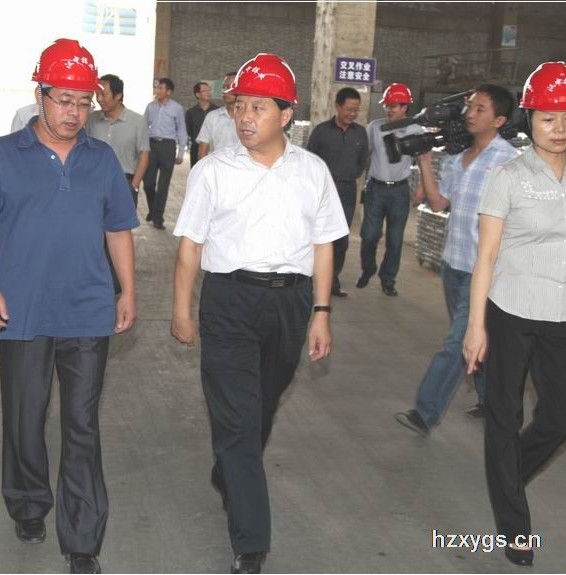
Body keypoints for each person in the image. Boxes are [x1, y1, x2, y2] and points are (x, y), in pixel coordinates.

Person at [0, 38, 137, 575]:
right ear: (40, 96)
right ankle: (29, 502)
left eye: (83, 102)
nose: (74, 112)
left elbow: (118, 229)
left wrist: (127, 290)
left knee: (82, 424)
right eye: (64, 100)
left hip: (87, 311)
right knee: (24, 417)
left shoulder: (102, 160)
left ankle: (82, 539)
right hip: (22, 311)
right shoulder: (1, 155)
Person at [171, 53, 347, 574]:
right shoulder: (212, 171)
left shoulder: (312, 171)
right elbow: (190, 246)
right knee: (237, 417)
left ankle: (230, 468)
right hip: (229, 299)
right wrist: (182, 310)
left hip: (291, 302)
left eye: (259, 107)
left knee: (262, 406)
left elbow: (323, 245)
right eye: (240, 106)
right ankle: (251, 542)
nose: (245, 117)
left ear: (286, 114)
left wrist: (321, 311)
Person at [463, 63, 566, 567]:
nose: (559, 128)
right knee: (505, 417)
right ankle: (515, 529)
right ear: (530, 120)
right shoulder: (509, 177)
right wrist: (476, 326)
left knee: (561, 419)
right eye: (548, 118)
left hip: (565, 313)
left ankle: (504, 476)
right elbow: (486, 256)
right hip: (511, 311)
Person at [394, 84, 519, 436]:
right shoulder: (456, 158)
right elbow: (437, 203)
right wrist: (424, 161)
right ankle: (490, 399)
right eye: (469, 107)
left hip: (486, 270)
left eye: (480, 109)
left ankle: (425, 412)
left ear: (499, 120)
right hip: (454, 263)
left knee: (456, 343)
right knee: (472, 338)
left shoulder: (509, 162)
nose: (470, 114)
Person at [356, 83, 424, 296]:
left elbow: (423, 159)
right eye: (387, 105)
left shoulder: (414, 129)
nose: (388, 110)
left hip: (399, 192)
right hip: (375, 190)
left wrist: (422, 187)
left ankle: (388, 279)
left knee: (395, 240)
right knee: (369, 235)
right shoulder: (375, 127)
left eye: (393, 106)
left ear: (405, 107)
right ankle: (368, 269)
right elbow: (365, 154)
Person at [306, 87, 368, 297]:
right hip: (322, 190)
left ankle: (332, 280)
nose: (352, 114)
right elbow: (310, 160)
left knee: (341, 238)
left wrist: (349, 174)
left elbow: (362, 162)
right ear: (337, 106)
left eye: (356, 110)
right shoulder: (322, 131)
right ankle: (310, 276)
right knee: (318, 235)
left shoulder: (360, 133)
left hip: (347, 190)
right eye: (349, 109)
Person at [88, 73, 150, 206]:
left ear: (118, 95)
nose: (99, 99)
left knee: (122, 220)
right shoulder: (90, 119)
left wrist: (134, 186)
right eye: (97, 94)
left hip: (124, 184)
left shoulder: (137, 121)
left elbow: (144, 155)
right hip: (94, 184)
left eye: (104, 95)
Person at [143, 77, 187, 230]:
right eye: (157, 87)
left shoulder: (177, 108)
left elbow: (181, 130)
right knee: (148, 184)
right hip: (151, 146)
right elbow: (143, 127)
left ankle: (158, 218)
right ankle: (153, 210)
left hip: (168, 147)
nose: (158, 90)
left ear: (168, 91)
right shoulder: (150, 107)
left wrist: (181, 152)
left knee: (163, 185)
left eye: (161, 88)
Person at [196, 72, 239, 160]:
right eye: (223, 87)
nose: (223, 91)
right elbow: (202, 152)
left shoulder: (249, 118)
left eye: (228, 87)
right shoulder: (212, 117)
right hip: (215, 167)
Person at [185, 81, 217, 167]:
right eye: (205, 91)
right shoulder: (191, 112)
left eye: (209, 90)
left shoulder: (217, 111)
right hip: (196, 148)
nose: (208, 93)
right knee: (197, 171)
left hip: (215, 148)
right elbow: (189, 131)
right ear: (197, 94)